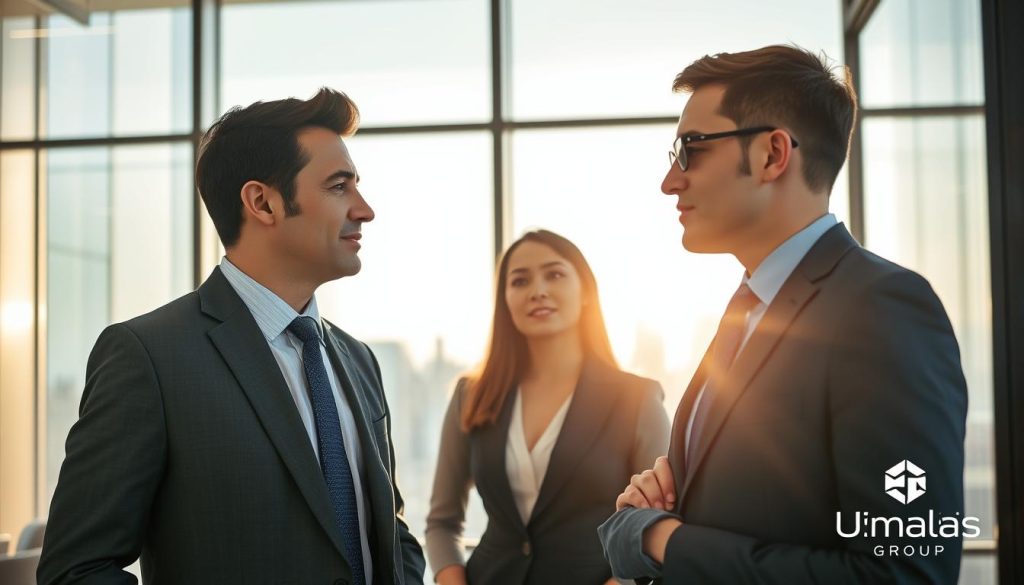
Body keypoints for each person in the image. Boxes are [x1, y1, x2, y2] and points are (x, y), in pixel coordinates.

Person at [598, 45, 968, 584]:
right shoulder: (746, 311)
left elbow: (905, 574)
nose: (670, 181)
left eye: (690, 150)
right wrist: (649, 513)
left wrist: (662, 539)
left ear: (773, 154)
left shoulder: (885, 311)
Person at [38, 88, 426, 585]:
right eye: (338, 186)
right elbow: (77, 570)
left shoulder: (356, 359)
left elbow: (391, 531)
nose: (365, 209)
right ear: (262, 202)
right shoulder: (150, 358)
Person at [426, 229, 670, 585]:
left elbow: (655, 521)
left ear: (585, 291)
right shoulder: (472, 395)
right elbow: (442, 521)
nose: (537, 290)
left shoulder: (638, 399)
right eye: (520, 280)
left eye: (554, 274)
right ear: (505, 299)